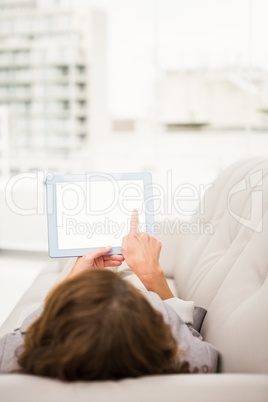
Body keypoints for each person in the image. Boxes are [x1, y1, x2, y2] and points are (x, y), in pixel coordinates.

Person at [0, 210, 219, 380]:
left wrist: (71, 284)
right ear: (153, 331)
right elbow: (188, 335)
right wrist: (153, 275)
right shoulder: (197, 362)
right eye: (141, 298)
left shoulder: (8, 356)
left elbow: (30, 327)